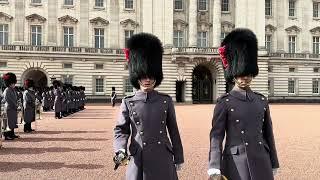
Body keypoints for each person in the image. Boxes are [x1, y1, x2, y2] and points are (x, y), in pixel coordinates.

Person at [208, 28, 279, 180]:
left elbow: (268, 134)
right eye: (240, 74)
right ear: (233, 74)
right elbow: (216, 136)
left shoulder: (261, 101)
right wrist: (214, 165)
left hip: (262, 159)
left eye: (247, 74)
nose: (244, 78)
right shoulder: (224, 102)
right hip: (236, 162)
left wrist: (274, 162)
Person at [113, 33, 184, 180]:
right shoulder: (128, 102)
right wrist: (120, 149)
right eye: (143, 76)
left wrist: (178, 156)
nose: (147, 80)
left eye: (151, 76)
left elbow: (173, 130)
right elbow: (121, 130)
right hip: (139, 157)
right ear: (136, 76)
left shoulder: (165, 101)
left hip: (163, 156)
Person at [2, 72, 19, 140]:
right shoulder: (7, 90)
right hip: (9, 108)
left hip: (13, 108)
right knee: (8, 122)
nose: (14, 84)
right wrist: (15, 105)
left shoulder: (12, 90)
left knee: (12, 121)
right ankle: (7, 135)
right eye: (13, 83)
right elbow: (9, 100)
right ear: (9, 83)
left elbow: (15, 99)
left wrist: (16, 105)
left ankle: (12, 134)